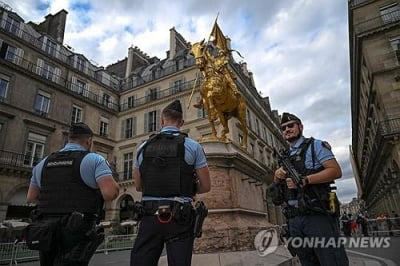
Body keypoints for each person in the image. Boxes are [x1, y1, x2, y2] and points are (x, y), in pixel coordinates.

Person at [26, 122, 120, 266]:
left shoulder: (43, 163)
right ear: (89, 141)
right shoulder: (94, 159)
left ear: (68, 139)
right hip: (77, 229)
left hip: (46, 230)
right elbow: (110, 193)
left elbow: (31, 197)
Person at [130, 100, 211, 266]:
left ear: (161, 120)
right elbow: (206, 186)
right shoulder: (193, 146)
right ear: (181, 123)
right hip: (180, 217)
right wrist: (190, 189)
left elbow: (138, 186)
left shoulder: (142, 147)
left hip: (149, 216)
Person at [272, 112, 349, 266]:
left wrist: (306, 180)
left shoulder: (316, 146)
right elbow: (278, 188)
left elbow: (335, 171)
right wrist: (277, 175)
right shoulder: (286, 155)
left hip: (317, 216)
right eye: (284, 128)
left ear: (300, 127)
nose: (287, 129)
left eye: (291, 125)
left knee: (331, 260)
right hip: (294, 219)